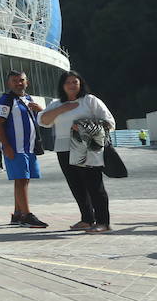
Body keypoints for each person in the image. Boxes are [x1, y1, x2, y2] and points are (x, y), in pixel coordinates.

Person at [37, 71, 116, 232]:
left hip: (87, 148)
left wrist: (83, 126)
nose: (72, 85)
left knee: (94, 185)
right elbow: (43, 121)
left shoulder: (90, 101)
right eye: (68, 83)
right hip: (63, 149)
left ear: (81, 84)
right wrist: (63, 108)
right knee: (76, 186)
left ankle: (103, 222)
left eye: (75, 82)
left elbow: (109, 122)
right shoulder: (56, 104)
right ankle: (87, 219)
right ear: (62, 86)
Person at [0, 70, 45, 227]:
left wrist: (41, 110)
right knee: (21, 179)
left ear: (27, 82)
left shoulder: (29, 99)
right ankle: (26, 215)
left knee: (25, 179)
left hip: (29, 148)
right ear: (9, 83)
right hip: (16, 148)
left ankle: (18, 213)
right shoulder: (5, 100)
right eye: (14, 80)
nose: (18, 83)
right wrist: (7, 146)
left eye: (21, 80)